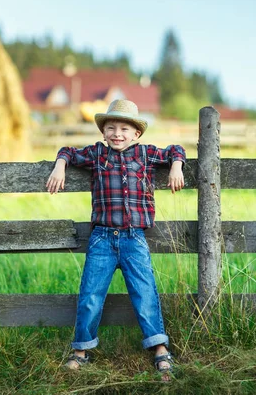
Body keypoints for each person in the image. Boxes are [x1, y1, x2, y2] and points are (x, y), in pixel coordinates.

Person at [46, 99, 186, 375]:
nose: (117, 134)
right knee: (91, 294)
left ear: (136, 133)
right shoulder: (98, 154)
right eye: (111, 127)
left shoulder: (146, 155)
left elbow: (175, 150)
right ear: (103, 132)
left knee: (145, 293)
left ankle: (160, 349)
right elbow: (68, 151)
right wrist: (60, 165)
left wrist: (177, 166)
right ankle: (81, 350)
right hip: (102, 239)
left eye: (124, 128)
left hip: (134, 239)